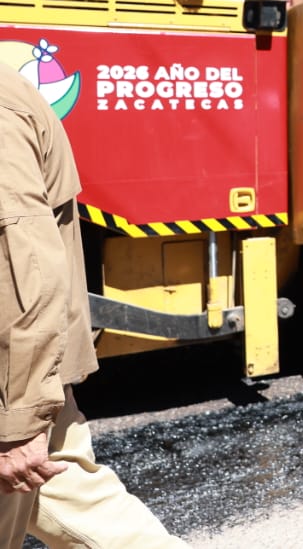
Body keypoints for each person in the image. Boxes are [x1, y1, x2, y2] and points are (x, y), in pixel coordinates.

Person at [0, 64, 185, 549]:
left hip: (9, 386)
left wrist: (19, 422)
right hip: (17, 381)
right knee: (90, 514)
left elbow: (21, 266)